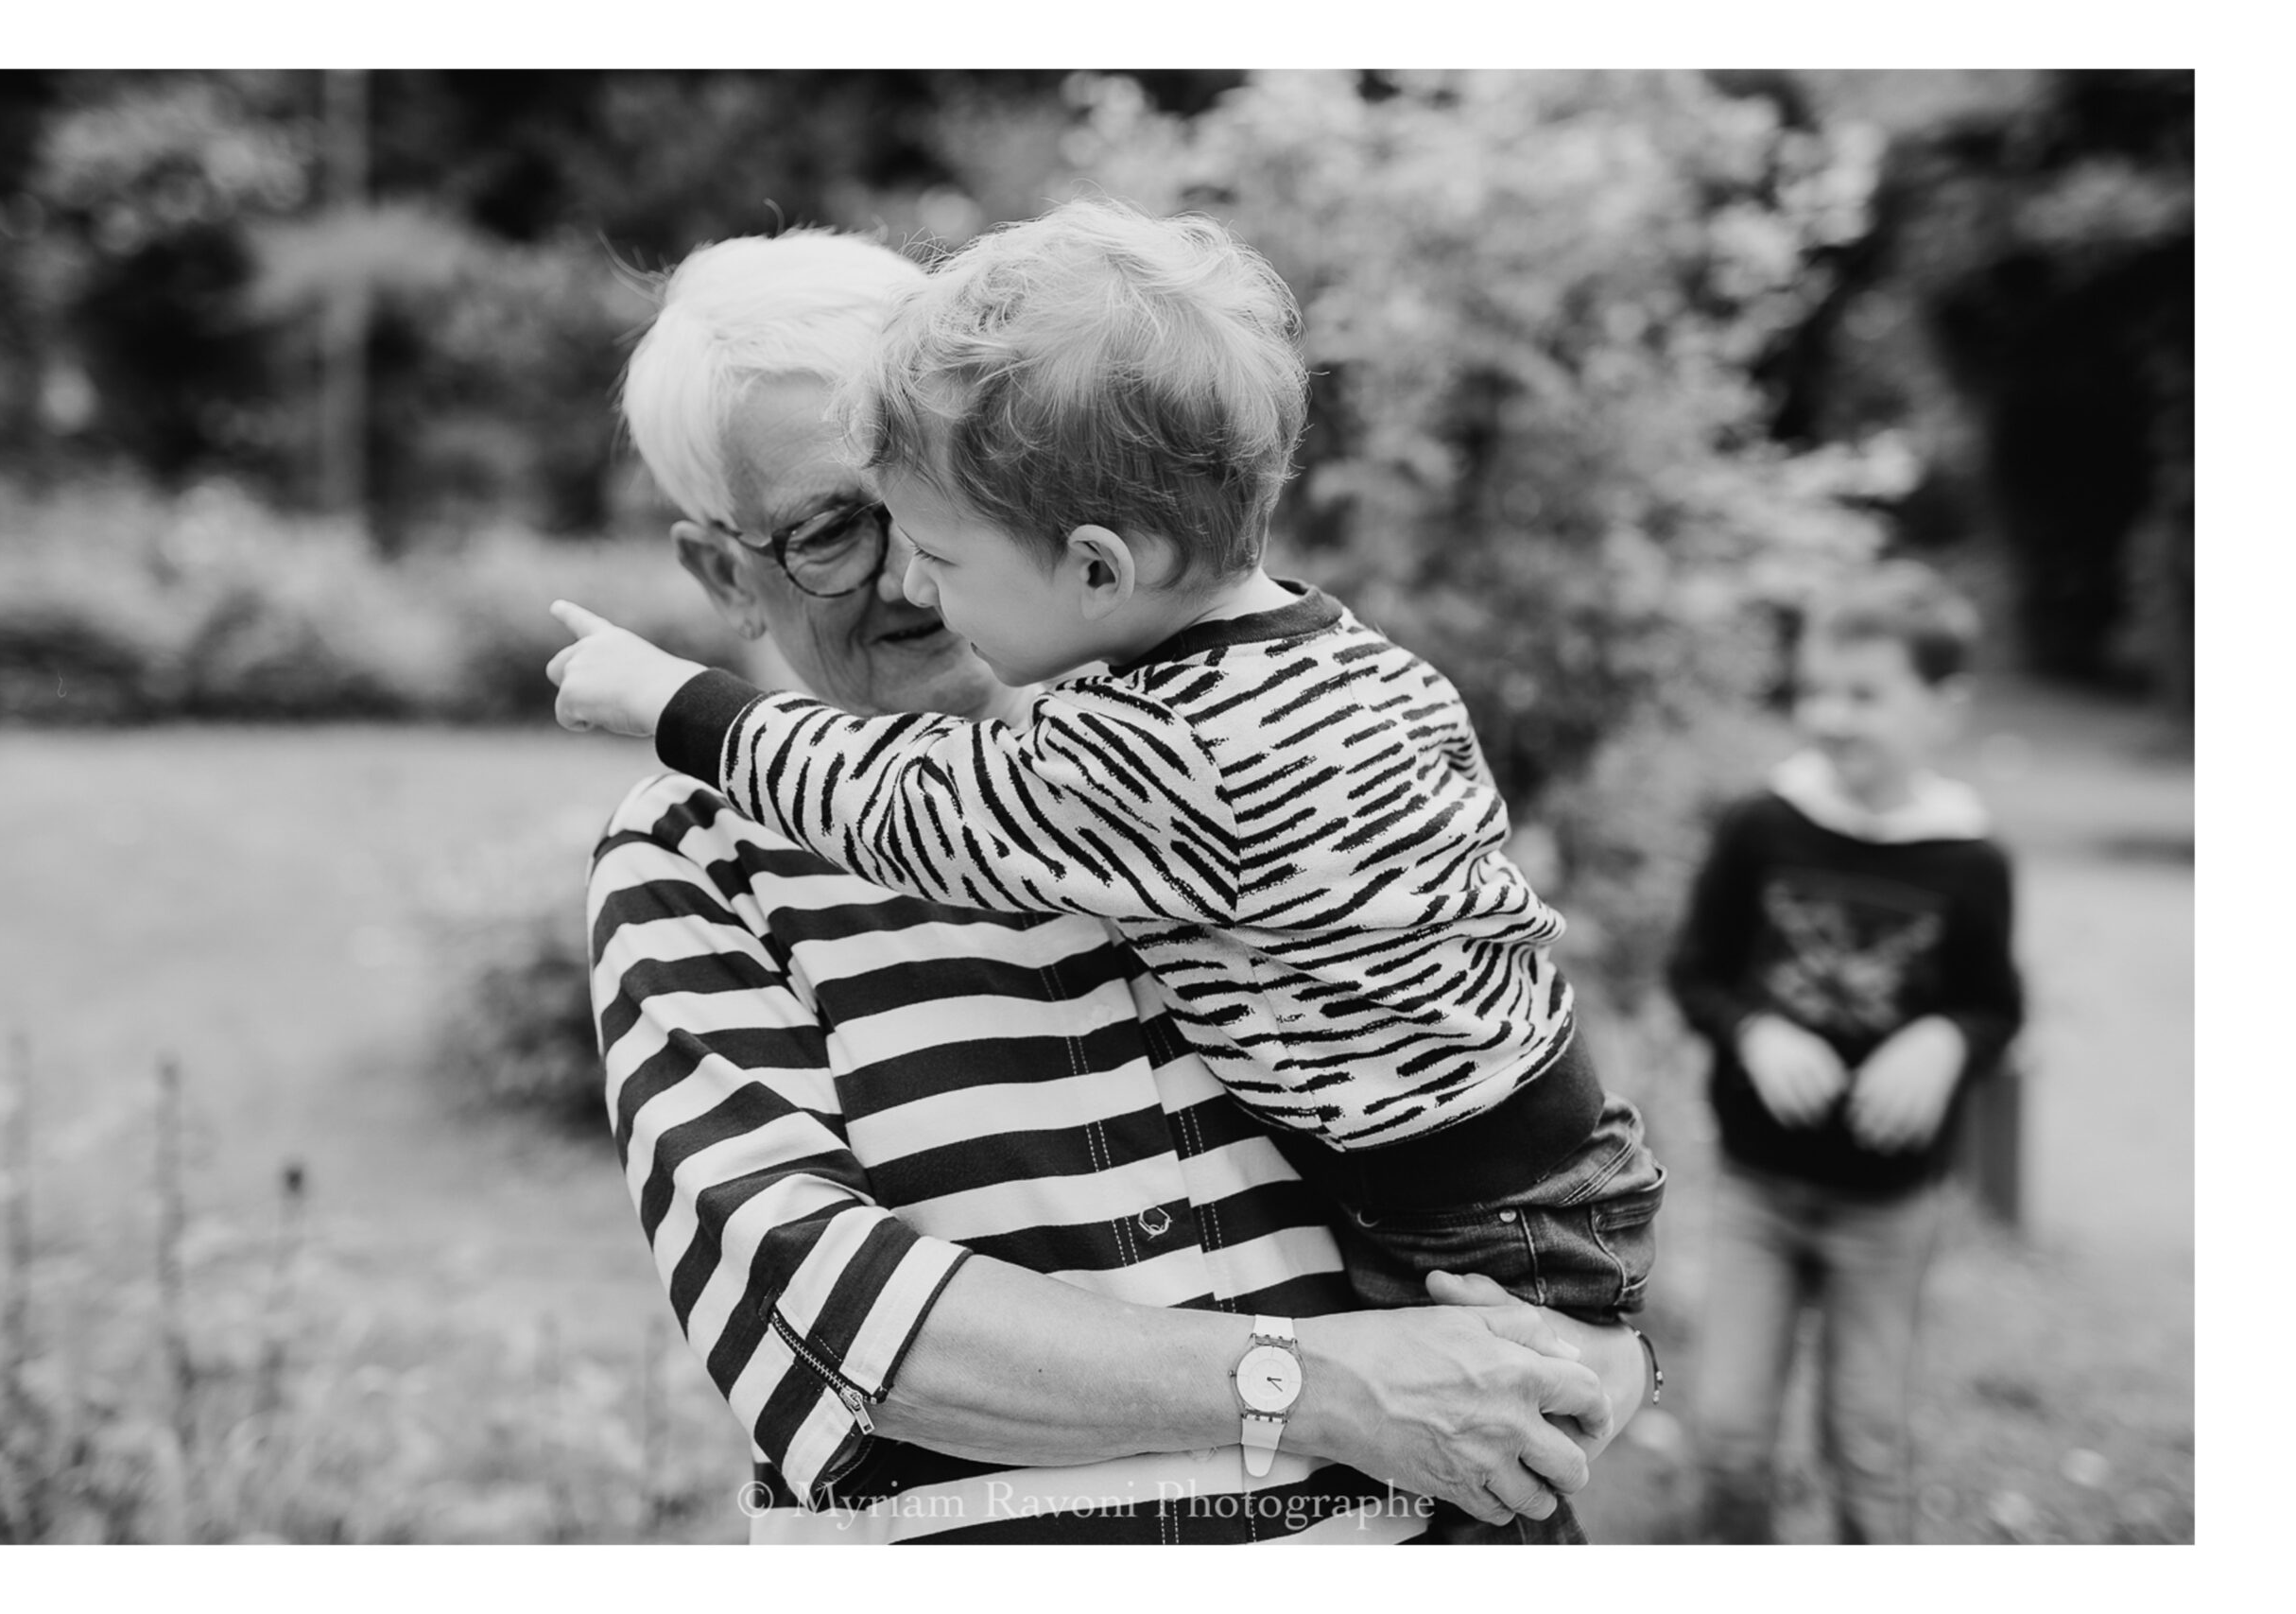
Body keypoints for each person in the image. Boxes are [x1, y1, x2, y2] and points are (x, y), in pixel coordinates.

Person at [584, 226, 1652, 1544]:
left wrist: (1596, 1351)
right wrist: (1315, 1387)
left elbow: (1483, 1043)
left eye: (930, 508)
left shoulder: (1218, 739)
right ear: (720, 572)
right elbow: (838, 1311)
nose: (909, 576)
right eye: (830, 531)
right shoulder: (699, 855)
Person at [1666, 559, 2025, 1544]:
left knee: (1864, 1442)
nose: (1829, 715)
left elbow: (1995, 1007)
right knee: (1730, 1436)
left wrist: (1947, 1039)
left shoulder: (1970, 860)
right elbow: (1695, 973)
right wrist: (1754, 1027)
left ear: (1939, 708)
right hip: (1756, 1194)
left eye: (1864, 694)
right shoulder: (1761, 826)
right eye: (1815, 689)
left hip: (1887, 1209)